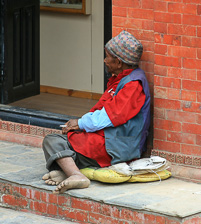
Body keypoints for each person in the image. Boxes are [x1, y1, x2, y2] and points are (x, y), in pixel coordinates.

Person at [42, 30, 151, 194]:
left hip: (116, 145)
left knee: (53, 141)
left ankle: (75, 175)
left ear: (119, 62)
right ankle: (70, 172)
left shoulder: (133, 84)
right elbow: (101, 111)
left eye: (107, 57)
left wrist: (80, 123)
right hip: (109, 140)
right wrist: (79, 126)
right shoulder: (121, 79)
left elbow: (111, 115)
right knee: (64, 141)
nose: (105, 61)